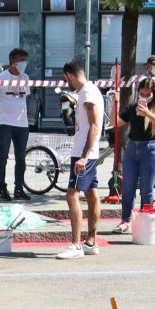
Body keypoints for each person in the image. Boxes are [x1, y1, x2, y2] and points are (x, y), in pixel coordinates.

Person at [55, 61, 105, 261]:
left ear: (70, 75)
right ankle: (91, 242)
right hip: (87, 152)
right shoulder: (88, 92)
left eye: (65, 78)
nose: (65, 82)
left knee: (71, 195)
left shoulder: (88, 93)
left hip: (84, 153)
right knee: (92, 194)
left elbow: (94, 125)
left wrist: (84, 156)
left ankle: (76, 244)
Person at [113, 76, 155, 233]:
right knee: (128, 187)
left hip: (151, 149)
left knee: (146, 188)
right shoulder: (132, 107)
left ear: (153, 93)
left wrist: (148, 113)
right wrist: (114, 105)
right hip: (132, 149)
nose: (144, 97)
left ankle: (145, 222)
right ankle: (125, 220)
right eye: (141, 93)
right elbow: (116, 122)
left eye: (147, 94)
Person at [0, 47, 33, 202]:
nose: (24, 63)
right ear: (13, 61)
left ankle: (19, 188)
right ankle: (2, 189)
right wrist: (2, 115)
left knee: (21, 159)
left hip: (22, 124)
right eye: (21, 60)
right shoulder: (1, 78)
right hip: (5, 123)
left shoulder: (25, 78)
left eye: (25, 60)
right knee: (3, 156)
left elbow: (24, 97)